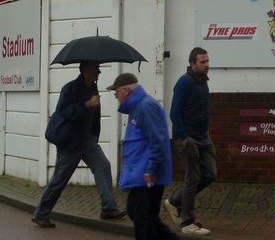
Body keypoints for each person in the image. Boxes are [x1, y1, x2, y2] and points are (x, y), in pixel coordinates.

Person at [32, 61, 125, 228]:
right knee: (59, 180)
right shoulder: (70, 89)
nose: (99, 72)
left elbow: (94, 115)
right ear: (86, 71)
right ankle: (41, 214)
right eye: (96, 69)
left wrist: (95, 134)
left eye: (98, 69)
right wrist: (86, 105)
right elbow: (63, 112)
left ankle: (109, 208)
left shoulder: (93, 88)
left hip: (88, 140)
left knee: (103, 166)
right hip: (70, 143)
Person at [109, 73, 177, 240]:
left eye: (116, 92)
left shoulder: (145, 107)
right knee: (143, 215)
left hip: (147, 174)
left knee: (142, 218)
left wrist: (151, 168)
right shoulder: (138, 108)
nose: (116, 96)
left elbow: (158, 140)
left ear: (125, 90)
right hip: (142, 172)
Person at [164, 48, 215, 236]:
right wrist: (184, 138)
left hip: (203, 138)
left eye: (207, 61)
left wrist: (206, 133)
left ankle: (176, 201)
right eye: (202, 62)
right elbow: (174, 113)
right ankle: (187, 222)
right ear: (193, 64)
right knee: (192, 177)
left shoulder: (203, 82)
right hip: (188, 139)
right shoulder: (184, 83)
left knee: (210, 174)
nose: (207, 65)